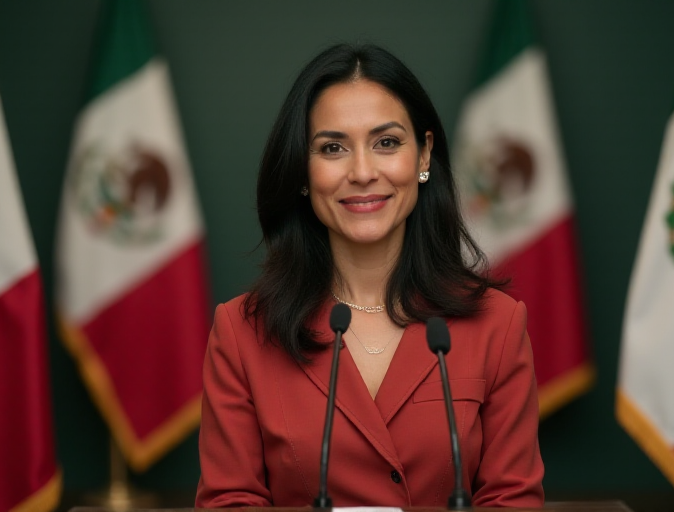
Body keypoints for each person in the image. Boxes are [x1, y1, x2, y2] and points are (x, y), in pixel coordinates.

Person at [196, 43, 544, 508]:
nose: (362, 172)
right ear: (303, 169)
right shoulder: (241, 333)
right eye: (333, 147)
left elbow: (512, 501)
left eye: (387, 142)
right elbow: (229, 502)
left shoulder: (497, 325)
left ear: (423, 156)